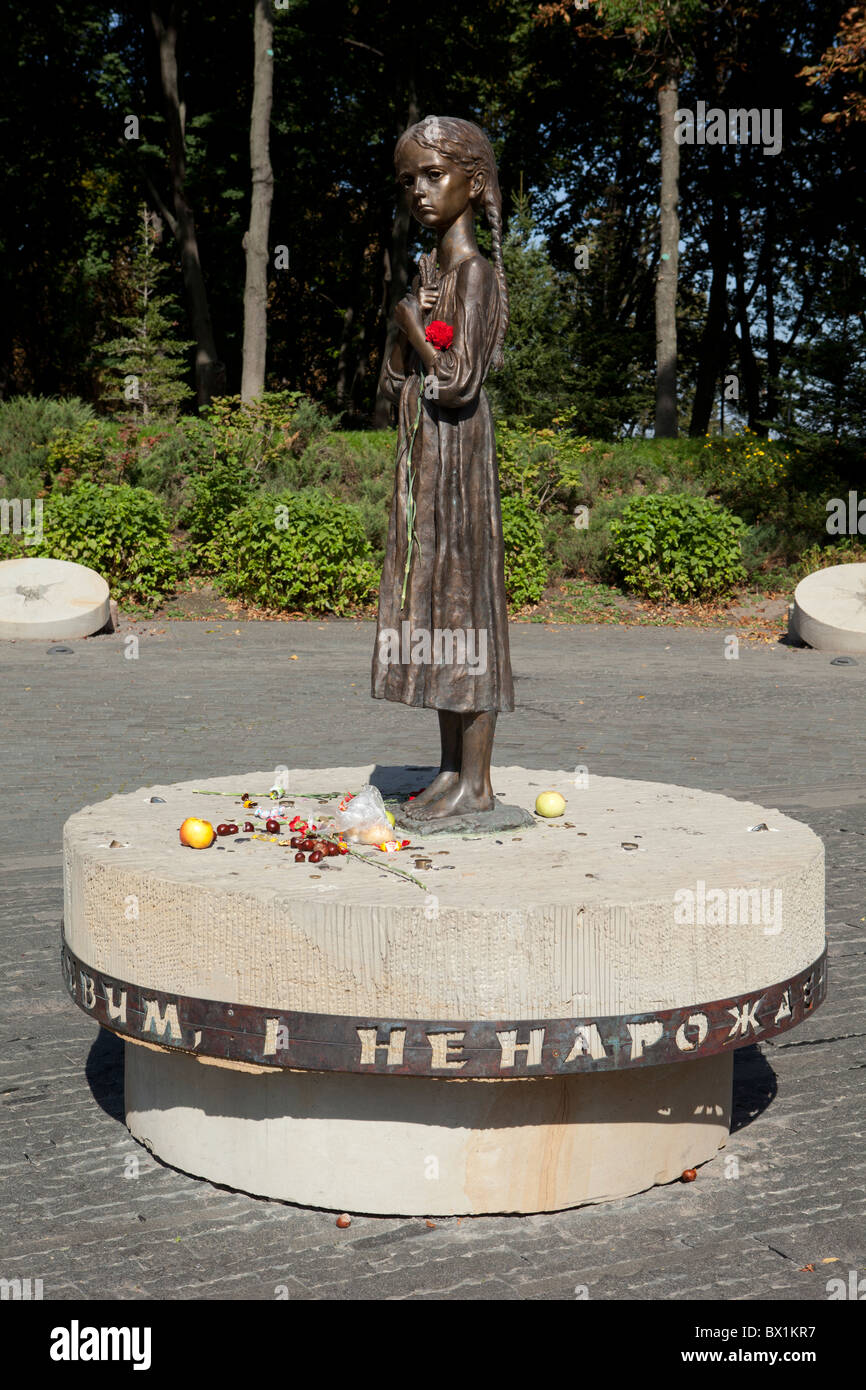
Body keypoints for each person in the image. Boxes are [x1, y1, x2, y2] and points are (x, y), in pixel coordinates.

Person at [371, 116, 514, 820]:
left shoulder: (476, 274)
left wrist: (410, 329)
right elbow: (392, 388)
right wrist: (406, 332)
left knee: (468, 608)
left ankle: (477, 784)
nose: (420, 192)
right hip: (428, 461)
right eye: (408, 181)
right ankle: (451, 770)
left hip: (460, 459)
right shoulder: (430, 276)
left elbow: (456, 383)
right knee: (437, 608)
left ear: (474, 181)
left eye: (434, 174)